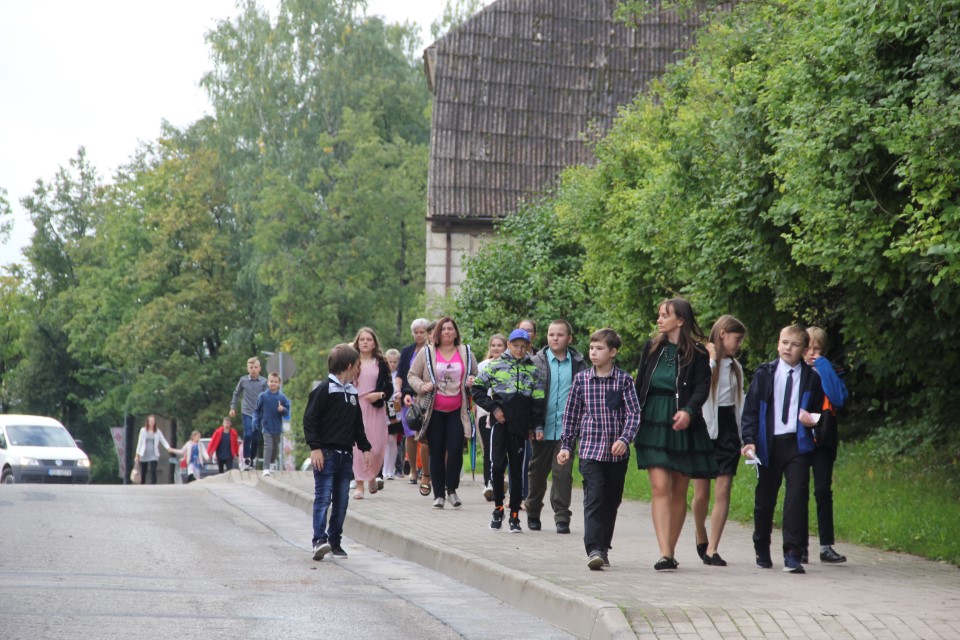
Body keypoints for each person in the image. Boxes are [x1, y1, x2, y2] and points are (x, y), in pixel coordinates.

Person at [633, 298, 716, 571]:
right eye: (659, 315)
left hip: (683, 422)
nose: (659, 320)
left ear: (680, 320)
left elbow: (702, 389)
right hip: (654, 419)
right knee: (660, 487)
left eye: (664, 315)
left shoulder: (699, 354)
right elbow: (640, 383)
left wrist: (689, 411)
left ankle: (670, 549)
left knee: (679, 489)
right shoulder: (652, 347)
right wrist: (632, 418)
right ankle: (665, 554)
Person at [741, 324, 824, 574]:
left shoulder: (812, 378)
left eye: (795, 344)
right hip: (769, 443)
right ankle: (761, 545)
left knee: (796, 498)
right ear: (778, 344)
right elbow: (751, 410)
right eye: (784, 342)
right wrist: (749, 440)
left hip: (797, 444)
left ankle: (793, 553)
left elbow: (820, 412)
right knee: (765, 499)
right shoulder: (765, 373)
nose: (788, 348)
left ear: (804, 349)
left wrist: (813, 421)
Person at [558, 328, 641, 570]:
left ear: (613, 352)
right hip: (590, 451)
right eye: (592, 348)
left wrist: (625, 439)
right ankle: (593, 548)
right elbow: (571, 415)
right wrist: (566, 446)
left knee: (611, 500)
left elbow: (634, 414)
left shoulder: (624, 380)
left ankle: (603, 547)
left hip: (617, 454)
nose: (593, 352)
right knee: (594, 497)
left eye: (599, 348)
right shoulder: (581, 380)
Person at [303, 344, 372, 561]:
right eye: (357, 367)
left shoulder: (352, 392)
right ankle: (318, 540)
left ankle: (335, 541)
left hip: (345, 456)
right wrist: (315, 447)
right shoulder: (324, 389)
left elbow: (357, 424)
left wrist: (365, 446)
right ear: (349, 366)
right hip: (326, 454)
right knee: (323, 498)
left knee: (341, 501)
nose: (358, 371)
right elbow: (310, 419)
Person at [472, 328, 545, 533]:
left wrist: (537, 425)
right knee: (497, 466)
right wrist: (494, 409)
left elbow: (537, 401)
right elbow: (476, 389)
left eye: (524, 346)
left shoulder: (533, 370)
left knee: (517, 470)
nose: (520, 350)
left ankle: (514, 514)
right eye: (516, 346)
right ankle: (497, 508)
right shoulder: (495, 365)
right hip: (500, 424)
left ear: (529, 347)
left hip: (521, 427)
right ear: (509, 345)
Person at [692, 315, 747, 566]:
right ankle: (700, 533)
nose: (739, 345)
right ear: (723, 334)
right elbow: (698, 388)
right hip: (703, 427)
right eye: (737, 339)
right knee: (701, 493)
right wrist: (712, 361)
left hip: (728, 430)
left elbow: (739, 404)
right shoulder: (701, 359)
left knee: (723, 489)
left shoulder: (736, 368)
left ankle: (713, 548)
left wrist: (744, 437)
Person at [407, 316, 478, 509]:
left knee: (455, 449)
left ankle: (452, 489)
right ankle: (438, 494)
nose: (447, 332)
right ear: (437, 333)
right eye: (443, 329)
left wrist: (472, 381)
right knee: (436, 451)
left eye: (450, 329)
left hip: (457, 410)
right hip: (433, 412)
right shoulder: (427, 352)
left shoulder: (465, 352)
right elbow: (412, 375)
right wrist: (422, 386)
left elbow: (476, 377)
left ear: (456, 332)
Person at [529, 320, 587, 534]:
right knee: (537, 472)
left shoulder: (579, 363)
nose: (555, 338)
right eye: (551, 334)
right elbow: (530, 396)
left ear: (569, 339)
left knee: (563, 473)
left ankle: (562, 517)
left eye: (560, 335)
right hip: (541, 427)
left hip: (567, 429)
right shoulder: (536, 361)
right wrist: (533, 424)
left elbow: (585, 397)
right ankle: (533, 510)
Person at [803, 326, 850, 564]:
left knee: (822, 490)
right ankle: (798, 544)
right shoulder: (794, 370)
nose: (812, 353)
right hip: (800, 437)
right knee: (798, 491)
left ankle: (826, 546)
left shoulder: (833, 370)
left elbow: (839, 398)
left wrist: (823, 366)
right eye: (808, 348)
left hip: (824, 437)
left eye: (817, 349)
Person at [351, 327, 393, 499]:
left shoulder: (381, 362)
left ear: (374, 343)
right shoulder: (351, 360)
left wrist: (379, 394)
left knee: (376, 447)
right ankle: (359, 484)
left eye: (369, 339)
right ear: (357, 342)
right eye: (362, 339)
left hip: (375, 408)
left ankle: (372, 474)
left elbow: (389, 387)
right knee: (357, 447)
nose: (365, 342)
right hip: (356, 407)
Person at [398, 318, 431, 491]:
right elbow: (401, 374)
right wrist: (399, 391)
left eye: (422, 332)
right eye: (416, 332)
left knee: (427, 436)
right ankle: (412, 469)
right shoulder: (407, 351)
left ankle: (428, 470)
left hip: (427, 396)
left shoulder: (432, 350)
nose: (419, 335)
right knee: (410, 433)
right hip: (408, 396)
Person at [476, 333, 507, 501]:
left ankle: (499, 481)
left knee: (501, 450)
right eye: (493, 345)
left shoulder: (510, 365)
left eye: (499, 345)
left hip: (503, 413)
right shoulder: (483, 366)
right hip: (484, 412)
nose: (496, 348)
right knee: (488, 448)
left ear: (506, 347)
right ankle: (489, 483)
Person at [229, 357, 268, 470]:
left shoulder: (264, 382)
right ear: (248, 369)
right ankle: (246, 459)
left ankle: (252, 459)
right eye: (251, 367)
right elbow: (236, 393)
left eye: (255, 367)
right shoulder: (243, 380)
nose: (253, 370)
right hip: (246, 411)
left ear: (259, 368)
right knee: (247, 434)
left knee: (256, 438)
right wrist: (233, 407)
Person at [516, 319, 538, 503]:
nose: (525, 333)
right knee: (517, 456)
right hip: (513, 418)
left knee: (530, 458)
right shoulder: (507, 360)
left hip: (534, 416)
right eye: (522, 330)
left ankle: (527, 495)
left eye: (529, 330)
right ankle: (517, 494)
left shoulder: (540, 359)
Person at [253, 372, 291, 477]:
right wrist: (255, 421)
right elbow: (257, 410)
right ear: (267, 382)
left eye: (276, 382)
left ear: (279, 384)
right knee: (268, 446)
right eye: (271, 381)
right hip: (266, 427)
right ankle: (266, 468)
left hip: (277, 428)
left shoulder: (282, 398)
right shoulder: (263, 396)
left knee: (275, 448)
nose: (273, 383)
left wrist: (282, 409)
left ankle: (272, 463)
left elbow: (287, 412)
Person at [134, 415, 174, 485]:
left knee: (153, 470)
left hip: (154, 453)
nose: (152, 422)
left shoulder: (157, 431)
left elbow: (163, 440)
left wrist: (168, 447)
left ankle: (154, 484)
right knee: (144, 470)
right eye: (150, 421)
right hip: (144, 453)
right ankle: (142, 483)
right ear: (148, 422)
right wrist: (137, 455)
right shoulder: (143, 430)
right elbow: (139, 443)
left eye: (153, 421)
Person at [384, 348, 403, 480]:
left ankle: (391, 469)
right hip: (385, 409)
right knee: (385, 441)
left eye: (395, 362)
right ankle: (384, 470)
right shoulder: (384, 375)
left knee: (393, 440)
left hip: (396, 409)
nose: (393, 364)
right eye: (390, 362)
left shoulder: (399, 375)